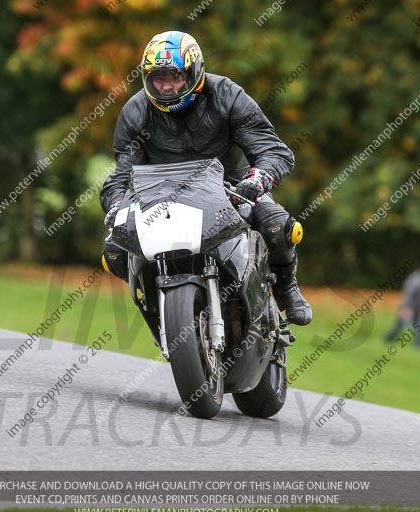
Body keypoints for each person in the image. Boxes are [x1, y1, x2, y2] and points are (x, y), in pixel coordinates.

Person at [99, 30, 311, 325]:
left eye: (175, 77)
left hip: (233, 187)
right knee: (114, 251)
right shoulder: (136, 111)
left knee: (278, 225)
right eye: (158, 79)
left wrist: (257, 180)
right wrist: (115, 205)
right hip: (160, 197)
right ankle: (158, 308)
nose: (167, 87)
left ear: (195, 72)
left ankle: (286, 287)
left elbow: (273, 150)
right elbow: (122, 175)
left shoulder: (227, 95)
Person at [384, 259, 420, 347]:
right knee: (399, 326)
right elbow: (408, 294)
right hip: (409, 308)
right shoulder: (415, 279)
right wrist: (406, 308)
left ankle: (419, 348)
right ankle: (388, 340)